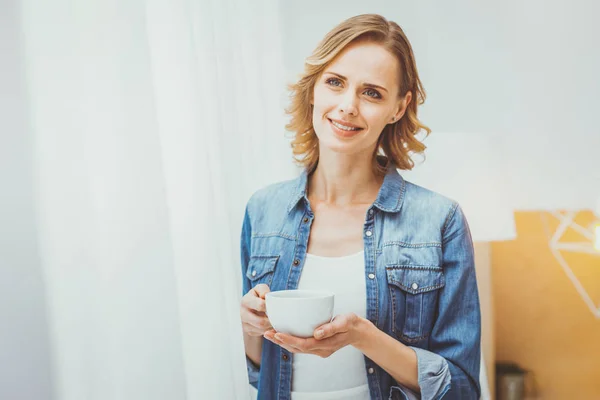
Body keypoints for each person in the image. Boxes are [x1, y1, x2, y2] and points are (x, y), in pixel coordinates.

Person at [239, 13, 481, 400]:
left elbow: (462, 388)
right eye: (335, 82)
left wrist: (364, 337)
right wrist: (250, 327)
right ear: (314, 89)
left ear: (398, 108)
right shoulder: (262, 211)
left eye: (372, 93)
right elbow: (260, 372)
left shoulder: (439, 220)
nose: (347, 106)